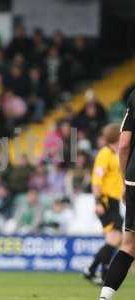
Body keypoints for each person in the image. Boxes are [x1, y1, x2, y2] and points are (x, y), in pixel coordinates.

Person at [99, 92, 135, 300]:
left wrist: (125, 180)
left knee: (129, 245)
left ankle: (104, 298)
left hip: (133, 179)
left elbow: (123, 145)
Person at [83, 123, 123, 285]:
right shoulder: (105, 154)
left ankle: (100, 273)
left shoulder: (115, 153)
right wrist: (98, 202)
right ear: (117, 136)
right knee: (116, 236)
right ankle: (93, 270)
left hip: (113, 201)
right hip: (105, 201)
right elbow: (96, 182)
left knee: (113, 238)